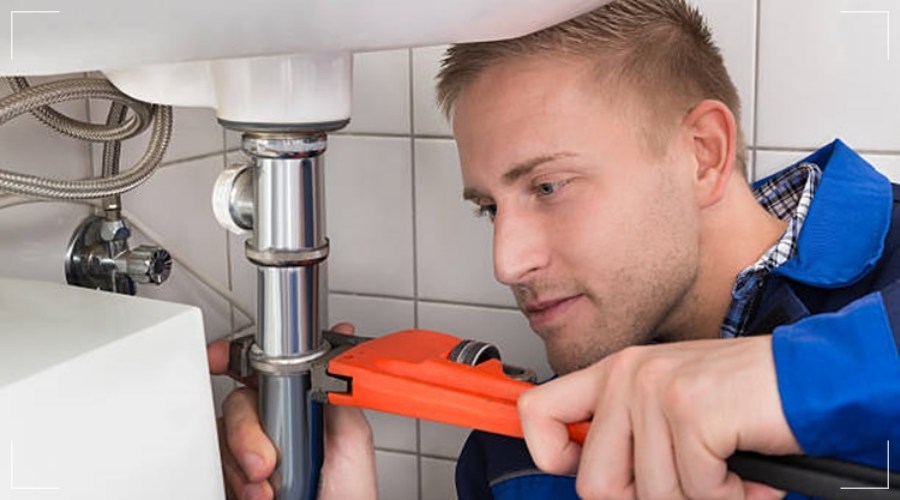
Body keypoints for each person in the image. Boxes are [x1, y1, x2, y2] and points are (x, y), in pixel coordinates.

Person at [207, 0, 900, 498]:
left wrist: (791, 381)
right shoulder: (516, 455)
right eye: (489, 208)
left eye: (548, 186)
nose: (507, 263)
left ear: (702, 153)